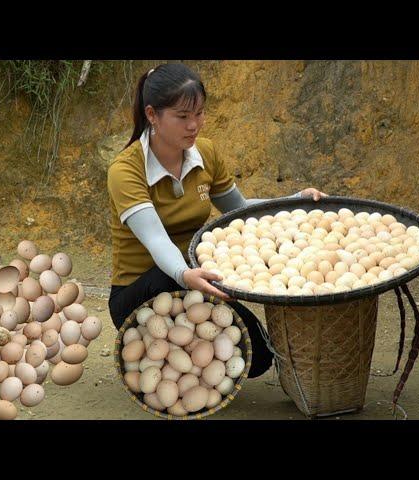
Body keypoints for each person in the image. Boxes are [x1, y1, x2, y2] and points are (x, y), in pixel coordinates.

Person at [107, 63, 327, 378]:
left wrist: (293, 202)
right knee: (165, 277)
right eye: (183, 117)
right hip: (141, 290)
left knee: (258, 357)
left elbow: (239, 211)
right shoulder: (125, 170)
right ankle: (154, 352)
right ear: (152, 115)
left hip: (194, 279)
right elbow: (157, 239)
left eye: (199, 114)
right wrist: (185, 274)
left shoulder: (205, 154)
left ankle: (179, 356)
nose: (194, 125)